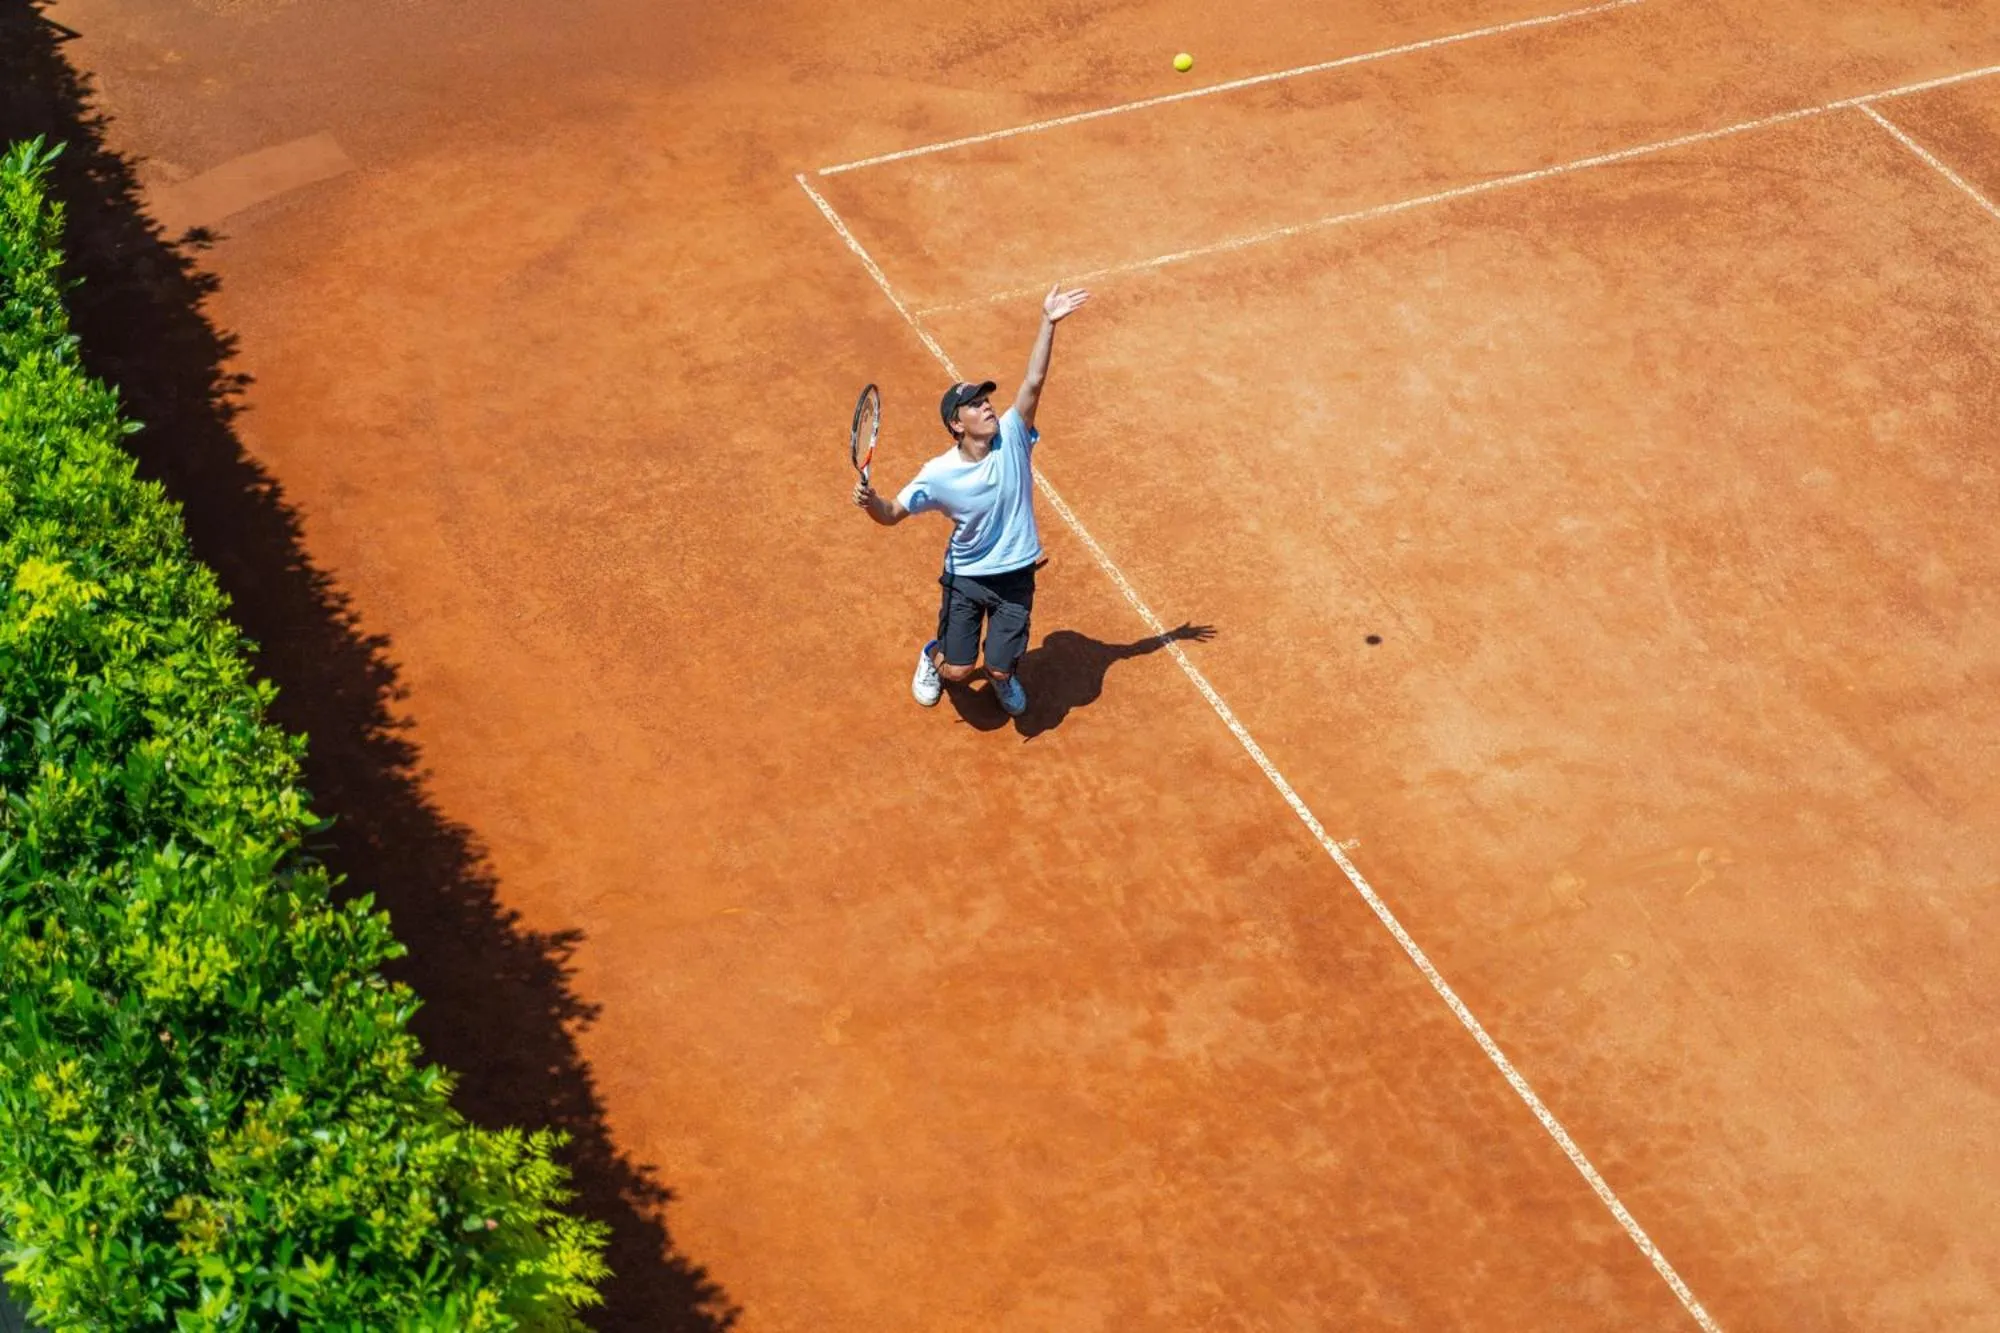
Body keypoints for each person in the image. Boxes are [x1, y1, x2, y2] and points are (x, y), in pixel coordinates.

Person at [852, 285, 1092, 717]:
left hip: (1016, 574)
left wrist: (1047, 322)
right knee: (960, 670)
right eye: (975, 405)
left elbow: (1034, 381)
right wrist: (871, 500)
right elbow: (890, 515)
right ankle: (933, 654)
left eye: (986, 401)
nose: (987, 408)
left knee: (999, 671)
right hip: (968, 578)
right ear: (955, 424)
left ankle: (1003, 674)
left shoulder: (1014, 435)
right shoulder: (939, 474)